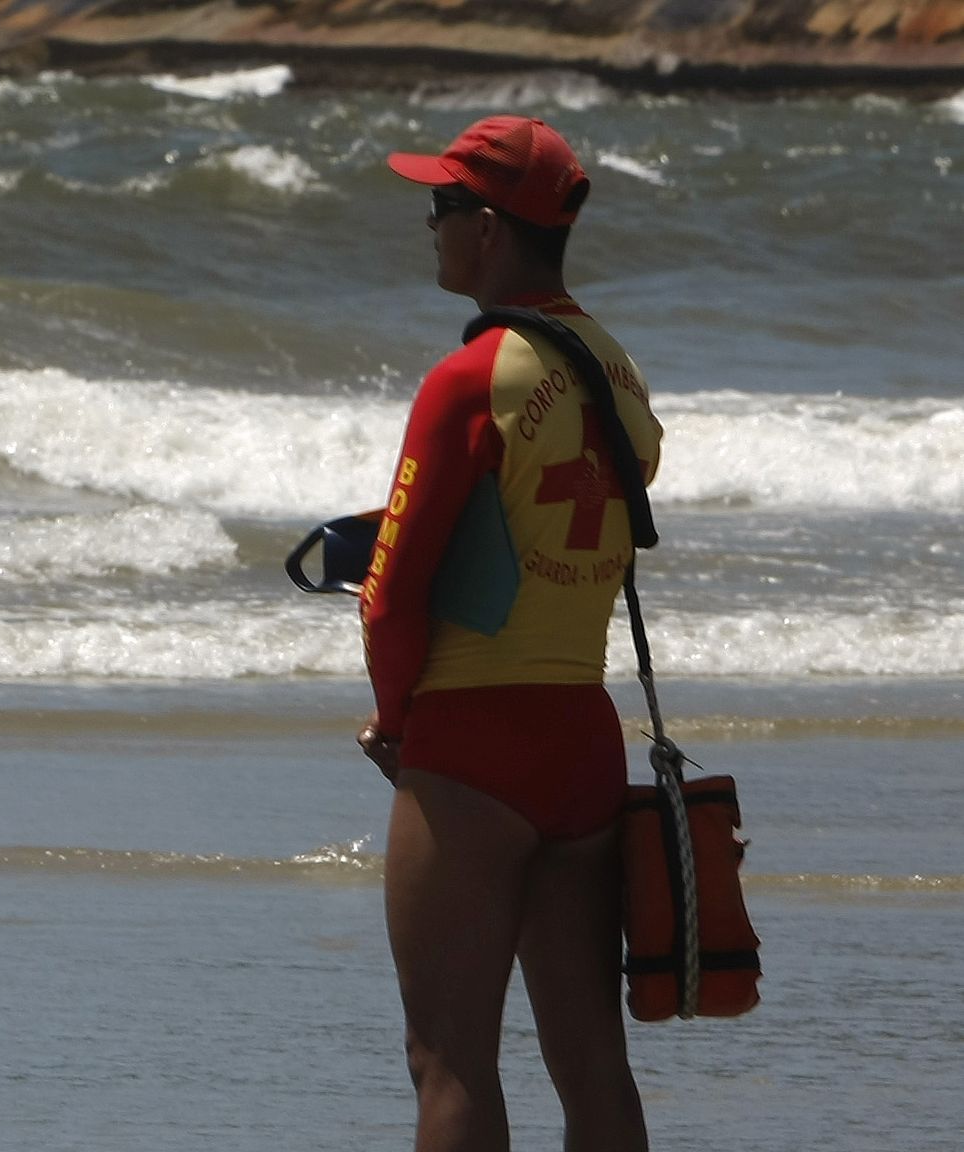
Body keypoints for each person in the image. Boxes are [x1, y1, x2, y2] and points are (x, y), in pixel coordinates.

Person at [356, 115, 661, 1152]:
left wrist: (398, 722)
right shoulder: (619, 373)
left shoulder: (469, 377)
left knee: (448, 1063)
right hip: (583, 739)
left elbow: (390, 596)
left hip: (474, 746)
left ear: (486, 229)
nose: (429, 226)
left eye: (441, 207)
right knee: (593, 1071)